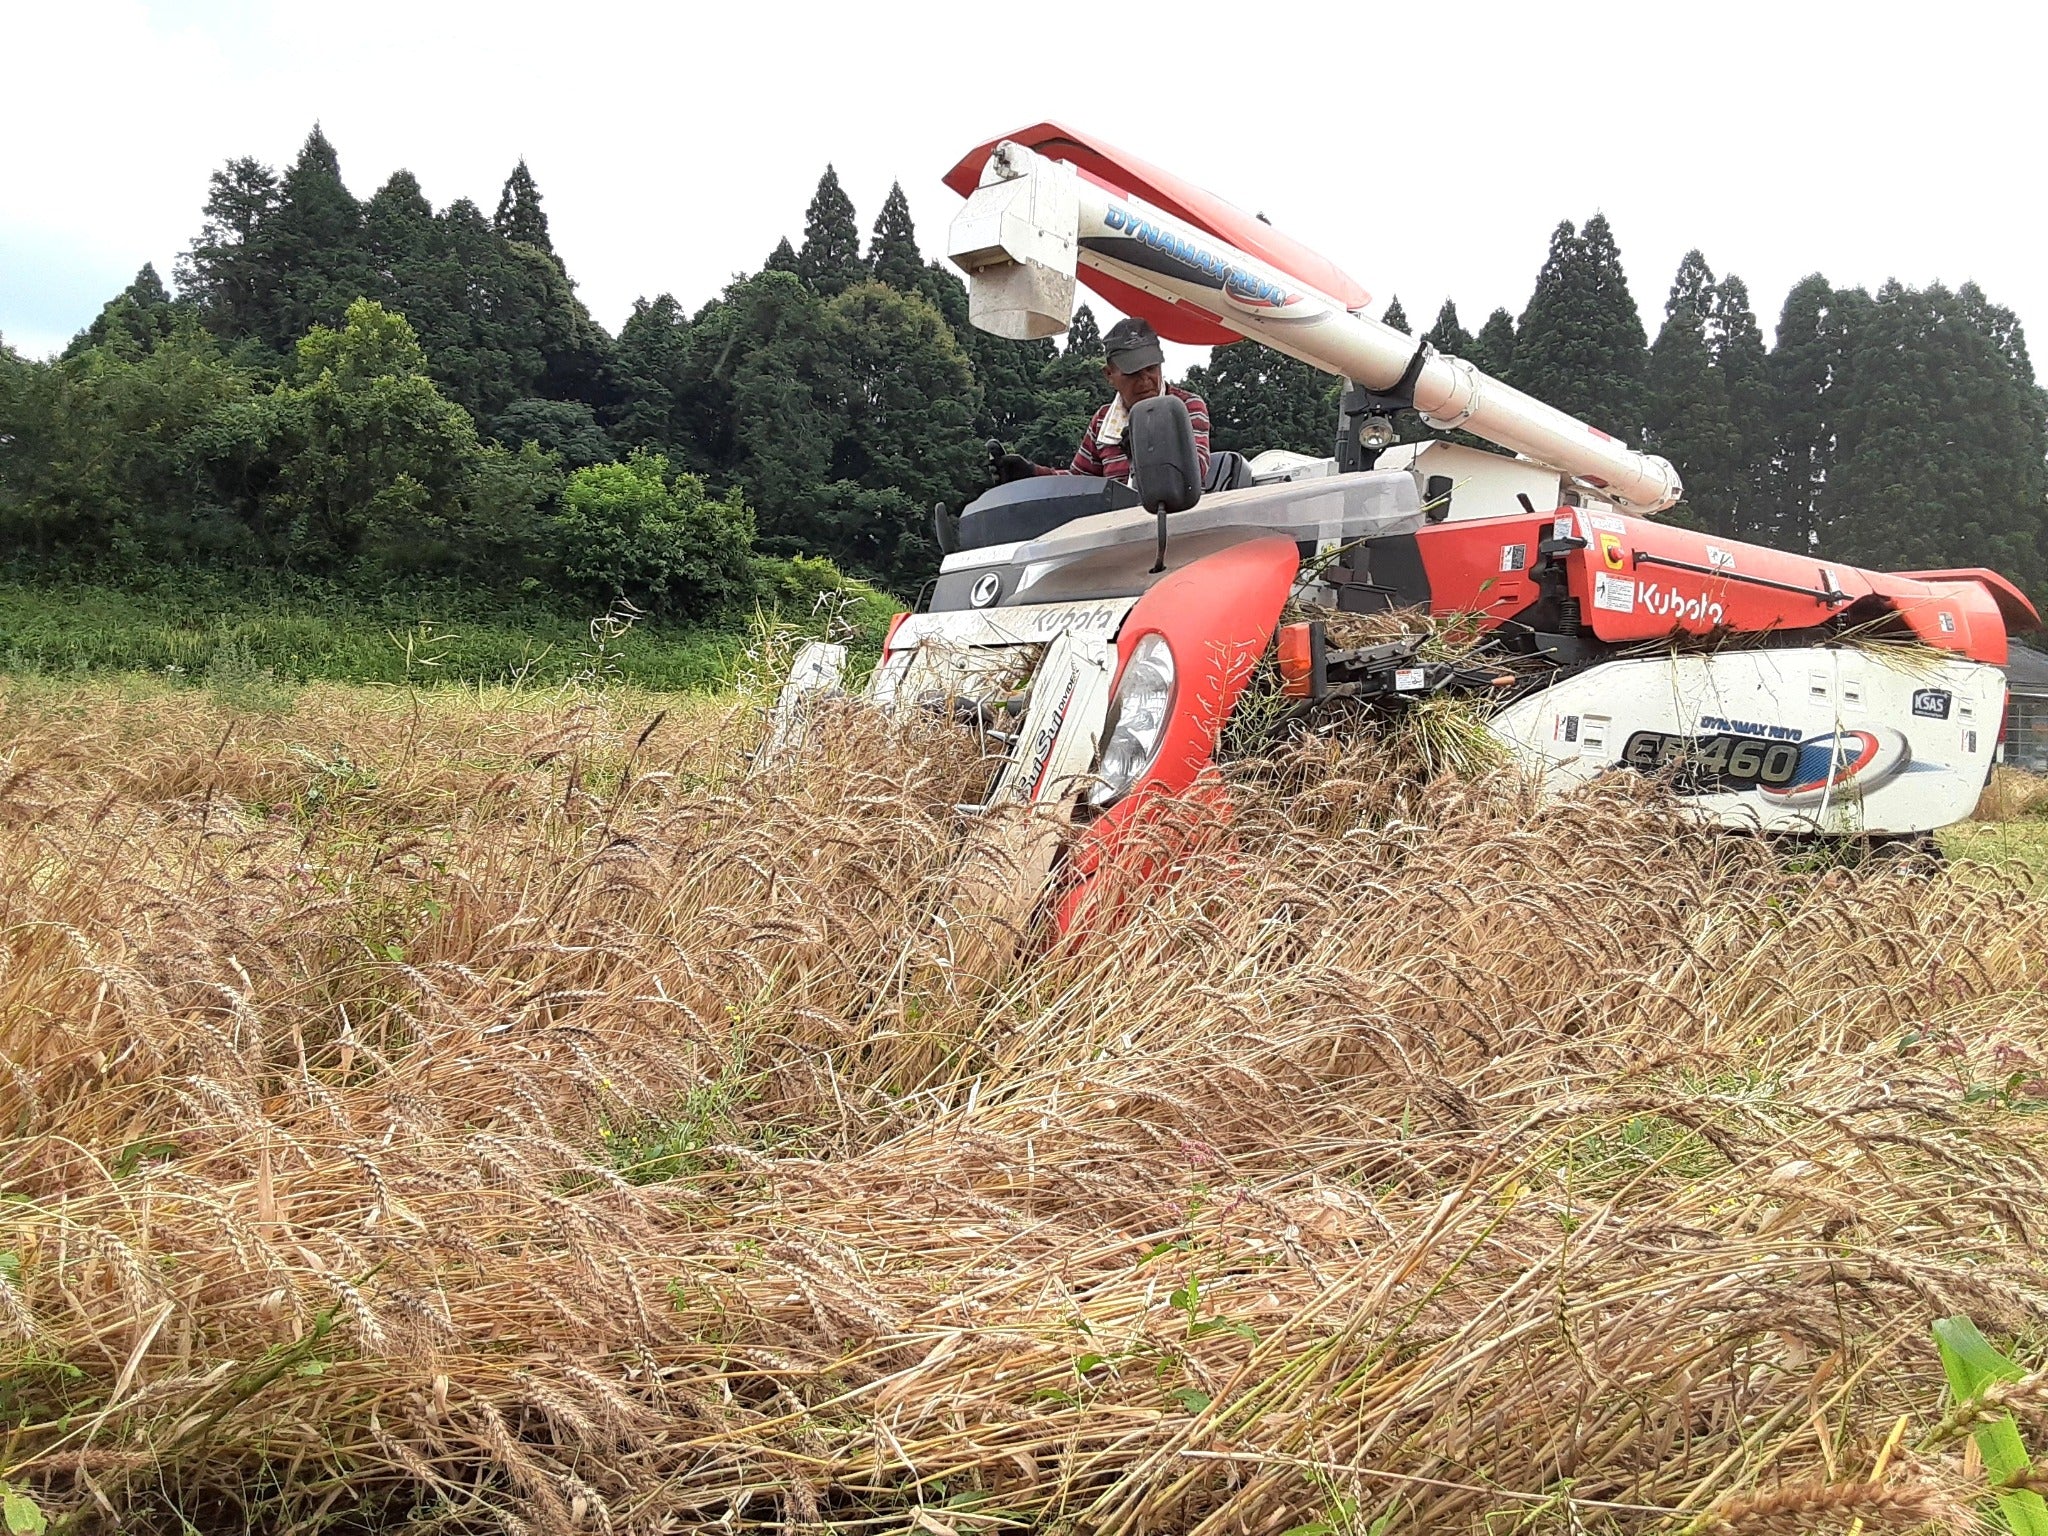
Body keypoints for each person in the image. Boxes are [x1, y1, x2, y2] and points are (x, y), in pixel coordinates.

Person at [999, 316, 1211, 484]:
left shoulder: (1188, 407)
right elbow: (1081, 482)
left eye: (1151, 368)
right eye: (1133, 372)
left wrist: (1149, 455)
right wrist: (1031, 474)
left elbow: (1197, 470)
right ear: (1109, 375)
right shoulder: (1102, 421)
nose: (1145, 379)